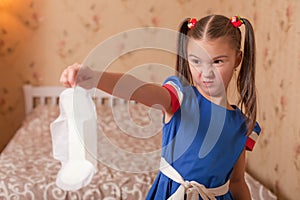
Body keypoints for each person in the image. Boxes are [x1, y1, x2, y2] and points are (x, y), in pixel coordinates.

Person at [60, 14, 261, 200]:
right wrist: (94, 77)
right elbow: (137, 88)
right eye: (196, 62)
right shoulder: (180, 97)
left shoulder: (243, 124)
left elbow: (236, 181)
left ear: (238, 59)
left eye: (217, 61)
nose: (206, 73)